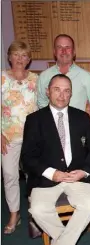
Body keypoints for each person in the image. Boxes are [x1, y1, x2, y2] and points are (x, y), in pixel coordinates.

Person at [21, 74, 90, 245]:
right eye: (57, 89)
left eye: (66, 90)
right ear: (48, 91)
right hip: (47, 177)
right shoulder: (34, 120)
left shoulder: (82, 117)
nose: (62, 94)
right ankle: (65, 243)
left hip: (78, 176)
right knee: (37, 210)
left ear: (71, 94)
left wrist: (82, 171)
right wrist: (52, 173)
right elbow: (27, 157)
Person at [1, 41, 38, 234]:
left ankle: (35, 213)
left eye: (24, 55)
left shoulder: (35, 79)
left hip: (31, 137)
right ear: (9, 57)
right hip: (7, 137)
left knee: (33, 175)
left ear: (29, 59)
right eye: (16, 54)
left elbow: (40, 108)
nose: (20, 59)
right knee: (9, 175)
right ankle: (14, 213)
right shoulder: (1, 78)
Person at [36, 34, 90, 124]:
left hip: (78, 126)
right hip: (52, 126)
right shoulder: (44, 76)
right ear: (54, 52)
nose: (64, 51)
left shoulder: (86, 76)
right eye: (59, 47)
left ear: (74, 52)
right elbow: (41, 102)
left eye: (67, 47)